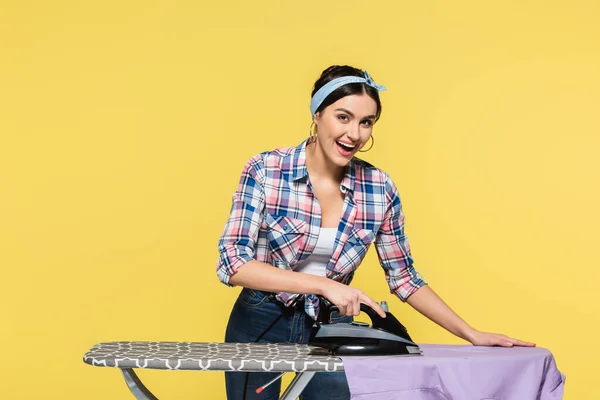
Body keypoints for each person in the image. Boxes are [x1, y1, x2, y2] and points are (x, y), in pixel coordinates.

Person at [215, 65, 535, 400]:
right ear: (318, 113)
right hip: (261, 321)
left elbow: (404, 278)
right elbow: (234, 263)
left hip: (330, 328)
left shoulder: (379, 189)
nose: (354, 133)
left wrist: (470, 334)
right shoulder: (266, 170)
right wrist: (324, 285)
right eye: (343, 117)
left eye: (366, 122)